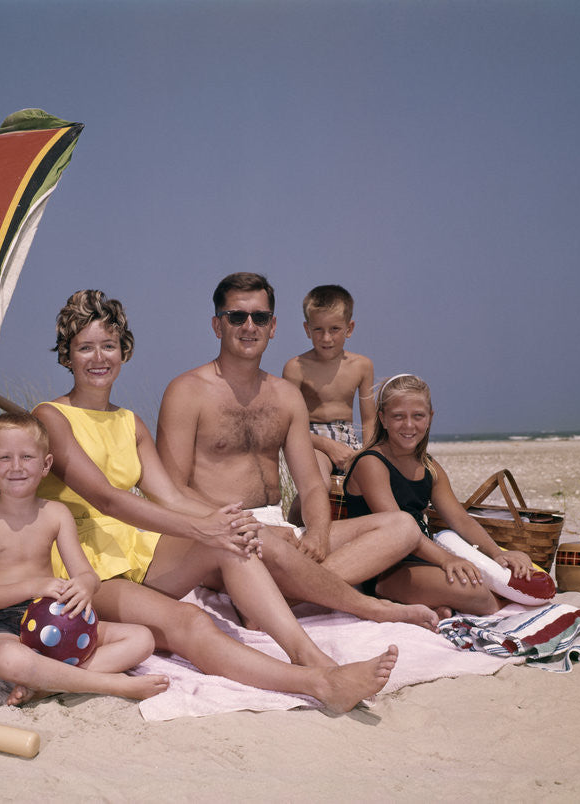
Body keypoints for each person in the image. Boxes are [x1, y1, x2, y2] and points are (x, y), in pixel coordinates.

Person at [33, 290, 398, 713]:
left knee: (231, 540)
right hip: (80, 566)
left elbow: (169, 495)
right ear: (67, 355)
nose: (99, 358)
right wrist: (199, 527)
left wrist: (229, 523)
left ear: (123, 350)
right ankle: (318, 683)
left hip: (135, 548)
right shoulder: (50, 418)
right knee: (190, 620)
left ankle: (309, 655)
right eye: (85, 348)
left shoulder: (129, 422)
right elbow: (107, 499)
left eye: (109, 346)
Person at [156, 272, 439, 629]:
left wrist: (318, 532)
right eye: (236, 316)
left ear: (273, 326)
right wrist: (251, 526)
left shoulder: (286, 397)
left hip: (280, 529)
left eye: (260, 317)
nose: (249, 326)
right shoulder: (186, 392)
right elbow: (171, 491)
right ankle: (369, 607)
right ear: (217, 325)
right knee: (265, 542)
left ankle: (272, 602)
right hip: (220, 533)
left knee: (403, 527)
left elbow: (310, 484)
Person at [0, 412, 169, 705]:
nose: (16, 466)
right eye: (5, 458)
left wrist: (84, 585)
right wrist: (36, 585)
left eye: (27, 457)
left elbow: (87, 575)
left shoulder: (56, 514)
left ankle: (46, 685)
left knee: (142, 639)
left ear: (46, 465)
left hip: (53, 615)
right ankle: (113, 684)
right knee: (11, 659)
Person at [342, 374, 534, 615]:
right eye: (398, 416)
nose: (409, 425)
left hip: (424, 558)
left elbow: (461, 519)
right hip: (383, 569)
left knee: (493, 578)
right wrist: (447, 560)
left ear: (430, 417)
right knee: (474, 591)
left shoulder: (429, 467)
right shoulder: (371, 463)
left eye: (418, 416)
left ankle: (433, 604)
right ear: (383, 419)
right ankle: (402, 598)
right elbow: (397, 532)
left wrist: (497, 554)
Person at [282, 285, 375, 480]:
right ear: (307, 329)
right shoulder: (296, 367)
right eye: (318, 329)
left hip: (350, 440)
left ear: (349, 328)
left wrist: (368, 454)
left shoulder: (362, 366)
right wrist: (328, 445)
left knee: (374, 479)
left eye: (334, 329)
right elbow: (286, 424)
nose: (326, 338)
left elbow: (369, 420)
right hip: (312, 441)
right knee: (319, 481)